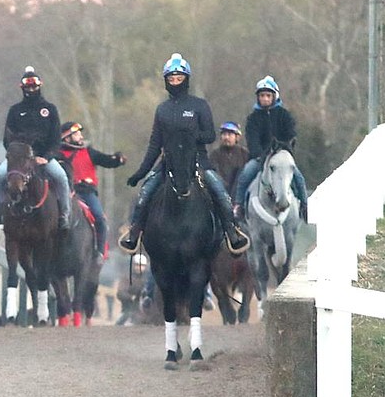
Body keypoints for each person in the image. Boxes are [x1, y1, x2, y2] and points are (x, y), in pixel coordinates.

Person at [118, 53, 249, 255]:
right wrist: (140, 172)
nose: (175, 82)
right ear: (166, 81)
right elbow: (155, 144)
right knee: (144, 194)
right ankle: (134, 234)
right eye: (171, 79)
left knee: (221, 193)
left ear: (186, 79)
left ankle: (232, 232)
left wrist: (193, 135)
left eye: (179, 78)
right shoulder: (162, 109)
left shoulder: (199, 105)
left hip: (198, 161)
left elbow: (210, 135)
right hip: (167, 163)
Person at [0, 66, 71, 230]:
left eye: (34, 86)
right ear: (23, 88)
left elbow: (55, 139)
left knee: (61, 177)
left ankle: (64, 214)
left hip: (43, 156)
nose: (31, 89)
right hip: (19, 159)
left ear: (39, 86)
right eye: (28, 87)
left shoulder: (50, 109)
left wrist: (46, 157)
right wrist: (15, 155)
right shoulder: (15, 111)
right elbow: (7, 138)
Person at [233, 76, 308, 221]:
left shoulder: (284, 115)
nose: (265, 99)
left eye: (268, 95)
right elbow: (252, 140)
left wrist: (283, 150)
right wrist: (261, 155)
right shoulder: (253, 118)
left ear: (274, 96)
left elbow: (291, 135)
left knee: (298, 178)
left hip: (282, 156)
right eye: (262, 95)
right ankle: (239, 206)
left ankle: (305, 206)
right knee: (245, 174)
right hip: (260, 158)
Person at [56, 121, 126, 263]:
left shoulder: (88, 151)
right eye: (76, 134)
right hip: (66, 193)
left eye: (80, 133)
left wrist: (117, 160)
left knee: (100, 218)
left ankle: (99, 251)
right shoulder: (57, 155)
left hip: (87, 193)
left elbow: (105, 160)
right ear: (67, 137)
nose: (80, 136)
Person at [208, 121, 249, 194]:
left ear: (237, 137)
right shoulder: (215, 154)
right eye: (224, 134)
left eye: (229, 134)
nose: (226, 137)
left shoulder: (244, 154)